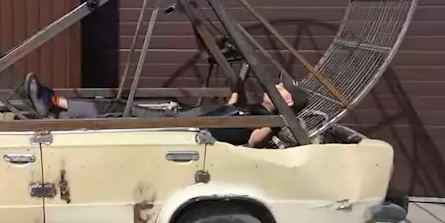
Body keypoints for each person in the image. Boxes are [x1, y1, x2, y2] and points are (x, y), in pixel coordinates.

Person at [22, 72, 307, 148]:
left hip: (185, 129)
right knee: (121, 108)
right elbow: (233, 111)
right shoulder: (256, 108)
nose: (276, 88)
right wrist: (236, 85)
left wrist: (280, 120)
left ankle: (53, 105)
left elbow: (254, 141)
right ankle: (56, 105)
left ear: (288, 102)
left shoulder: (271, 122)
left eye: (282, 90)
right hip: (187, 119)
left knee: (121, 116)